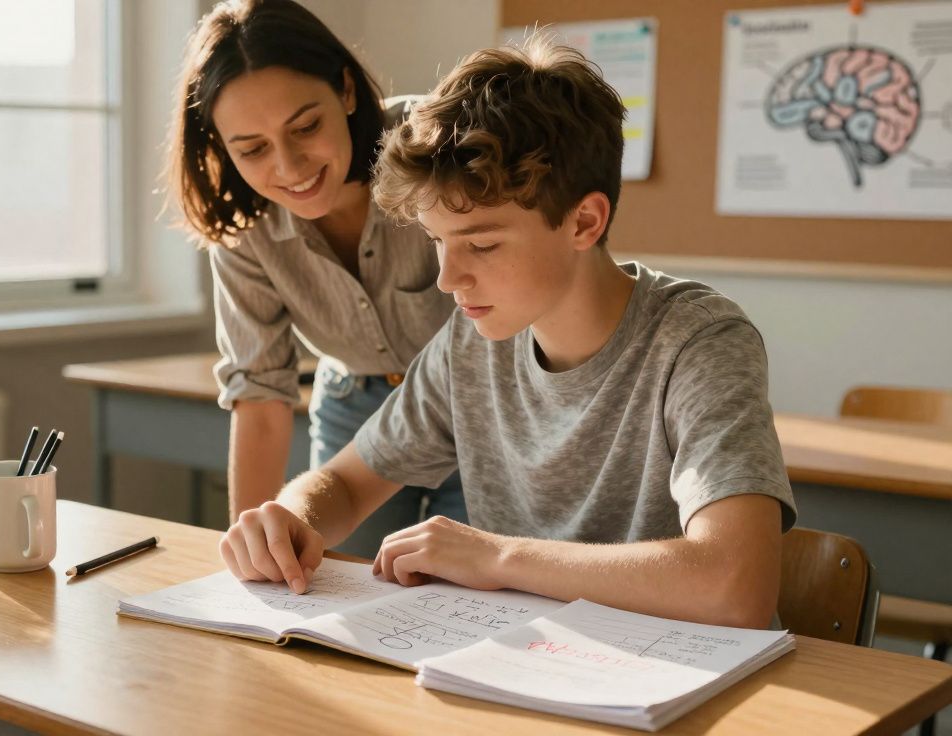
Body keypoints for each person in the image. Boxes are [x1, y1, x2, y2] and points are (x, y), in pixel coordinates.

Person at [217, 35, 797, 629]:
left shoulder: (700, 341)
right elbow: (343, 484)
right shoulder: (472, 344)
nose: (446, 278)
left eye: (483, 243)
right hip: (540, 668)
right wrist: (290, 516)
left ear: (585, 220)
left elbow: (736, 586)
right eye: (438, 241)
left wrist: (499, 557)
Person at [165, 0, 466, 557]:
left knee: (476, 602)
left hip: (483, 406)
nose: (289, 167)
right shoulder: (245, 226)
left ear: (346, 91)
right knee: (336, 589)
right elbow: (260, 395)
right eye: (252, 149)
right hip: (356, 407)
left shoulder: (437, 146)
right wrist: (254, 554)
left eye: (306, 126)